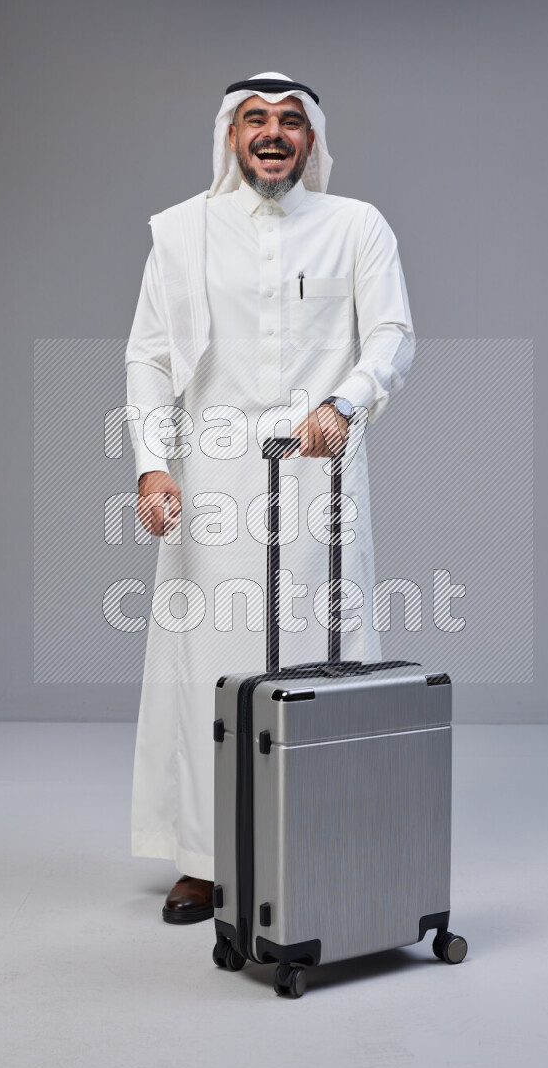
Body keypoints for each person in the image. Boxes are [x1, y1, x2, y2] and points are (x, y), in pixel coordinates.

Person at [125, 72, 415, 923]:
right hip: (211, 476)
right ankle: (206, 860)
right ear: (230, 136)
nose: (273, 133)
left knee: (331, 654)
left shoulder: (356, 225)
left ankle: (329, 837)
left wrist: (345, 402)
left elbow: (392, 333)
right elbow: (146, 356)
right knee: (207, 664)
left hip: (320, 469)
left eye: (291, 120)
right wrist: (151, 462)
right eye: (255, 119)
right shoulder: (181, 233)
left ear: (313, 138)